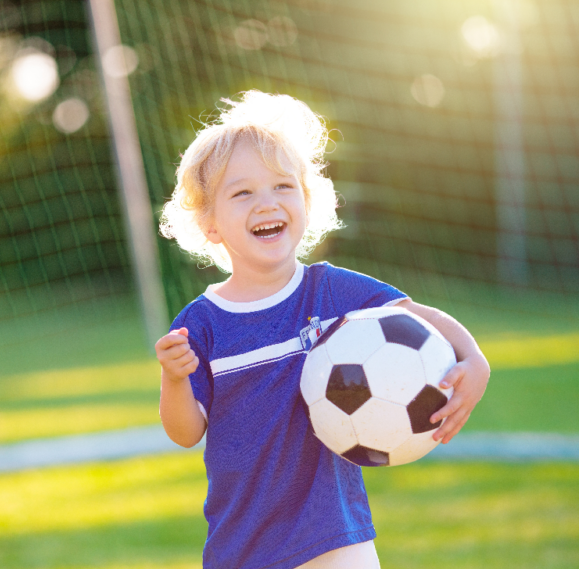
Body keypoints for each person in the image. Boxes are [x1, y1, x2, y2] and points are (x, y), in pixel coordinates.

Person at [155, 91, 490, 569]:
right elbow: (185, 433)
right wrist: (173, 379)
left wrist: (473, 359)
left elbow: (421, 316)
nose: (266, 203)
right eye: (243, 192)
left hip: (335, 537)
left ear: (307, 201)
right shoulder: (201, 324)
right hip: (242, 545)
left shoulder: (331, 291)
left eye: (283, 187)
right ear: (209, 223)